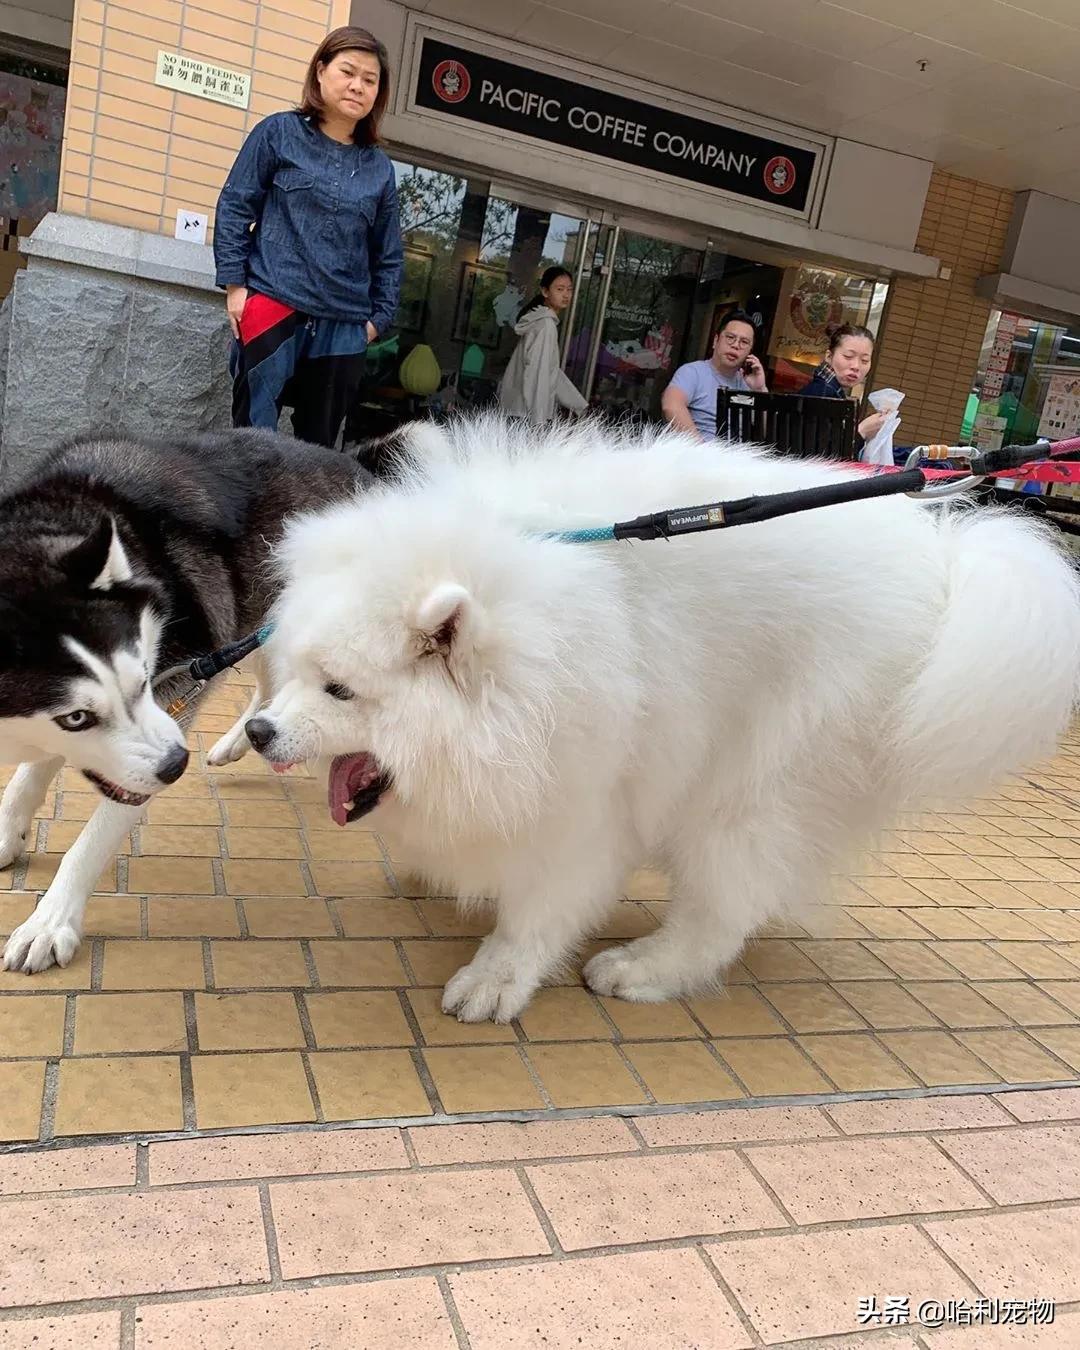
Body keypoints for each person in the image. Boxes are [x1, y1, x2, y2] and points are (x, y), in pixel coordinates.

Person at [213, 26, 403, 449]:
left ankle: (303, 518)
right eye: (348, 71)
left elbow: (388, 256)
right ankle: (251, 516)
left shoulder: (379, 169)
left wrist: (373, 324)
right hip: (272, 304)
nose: (358, 86)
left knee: (318, 450)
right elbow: (234, 206)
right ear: (320, 72)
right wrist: (235, 286)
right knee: (252, 440)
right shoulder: (278, 134)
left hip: (343, 324)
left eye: (370, 80)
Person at [498, 267, 588, 422]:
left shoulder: (541, 321)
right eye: (560, 289)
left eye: (569, 289)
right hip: (527, 414)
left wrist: (578, 404)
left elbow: (550, 371)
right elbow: (538, 374)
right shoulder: (545, 325)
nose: (566, 294)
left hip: (520, 410)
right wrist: (539, 420)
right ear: (545, 292)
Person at [661, 310, 767, 440]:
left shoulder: (748, 384)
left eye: (744, 342)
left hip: (737, 457)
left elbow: (765, 429)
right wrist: (702, 452)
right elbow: (671, 405)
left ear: (750, 351)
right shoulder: (693, 372)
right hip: (697, 453)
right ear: (716, 341)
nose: (735, 345)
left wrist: (760, 389)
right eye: (730, 338)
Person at [801, 324, 886, 446]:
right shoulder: (824, 394)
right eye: (848, 357)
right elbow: (822, 455)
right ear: (829, 356)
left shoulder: (826, 389)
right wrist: (861, 431)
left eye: (864, 361)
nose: (856, 366)